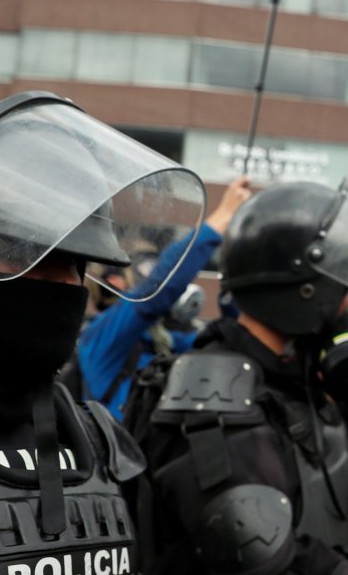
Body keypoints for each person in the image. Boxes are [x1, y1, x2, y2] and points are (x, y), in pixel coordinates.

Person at [126, 179, 348, 575]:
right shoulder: (212, 394)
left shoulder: (300, 381)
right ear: (305, 291)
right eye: (347, 285)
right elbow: (277, 571)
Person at [0, 91, 207, 575]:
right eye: (15, 252)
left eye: (73, 263)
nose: (56, 284)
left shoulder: (99, 442)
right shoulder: (114, 337)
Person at [70, 176, 252, 418]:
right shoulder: (101, 336)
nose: (152, 272)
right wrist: (218, 221)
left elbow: (226, 342)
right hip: (120, 454)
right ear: (115, 283)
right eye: (143, 267)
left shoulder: (162, 340)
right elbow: (153, 297)